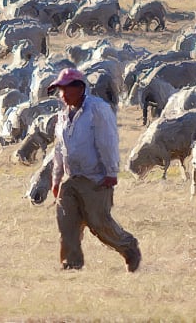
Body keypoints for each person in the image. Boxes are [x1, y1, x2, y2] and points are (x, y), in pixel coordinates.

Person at [48, 66, 141, 272]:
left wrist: (110, 172)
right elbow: (59, 149)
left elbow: (107, 141)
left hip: (95, 178)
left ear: (80, 88)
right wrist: (56, 179)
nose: (62, 95)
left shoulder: (97, 109)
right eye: (60, 90)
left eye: (66, 89)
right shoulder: (63, 117)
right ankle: (71, 264)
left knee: (99, 223)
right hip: (71, 178)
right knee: (67, 223)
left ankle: (128, 247)